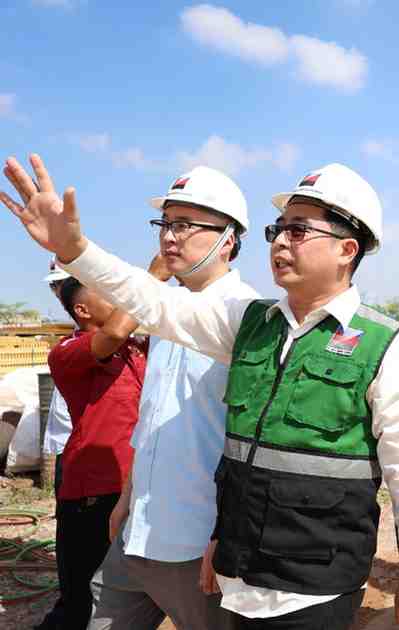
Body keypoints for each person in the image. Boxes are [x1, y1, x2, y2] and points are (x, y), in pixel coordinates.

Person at [1, 154, 399, 630]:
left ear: (347, 249)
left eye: (299, 230)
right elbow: (155, 303)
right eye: (279, 228)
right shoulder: (251, 325)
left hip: (317, 584)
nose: (280, 242)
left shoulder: (383, 345)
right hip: (240, 574)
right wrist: (77, 251)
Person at [87, 167, 258, 630]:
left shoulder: (248, 319)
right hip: (139, 530)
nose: (169, 237)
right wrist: (127, 498)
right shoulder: (163, 319)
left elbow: (251, 445)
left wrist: (227, 534)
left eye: (185, 225)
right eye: (165, 224)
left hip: (197, 540)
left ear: (227, 239)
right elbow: (153, 420)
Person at [46, 277, 145, 629]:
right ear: (82, 310)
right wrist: (151, 279)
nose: (120, 300)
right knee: (83, 591)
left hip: (135, 484)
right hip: (92, 489)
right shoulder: (67, 352)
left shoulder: (134, 351)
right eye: (110, 295)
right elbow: (115, 332)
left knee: (123, 590)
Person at [34, 259, 74, 630]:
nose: (57, 294)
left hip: (87, 455)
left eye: (60, 286)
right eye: (55, 287)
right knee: (69, 536)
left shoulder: (105, 335)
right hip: (67, 449)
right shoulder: (70, 340)